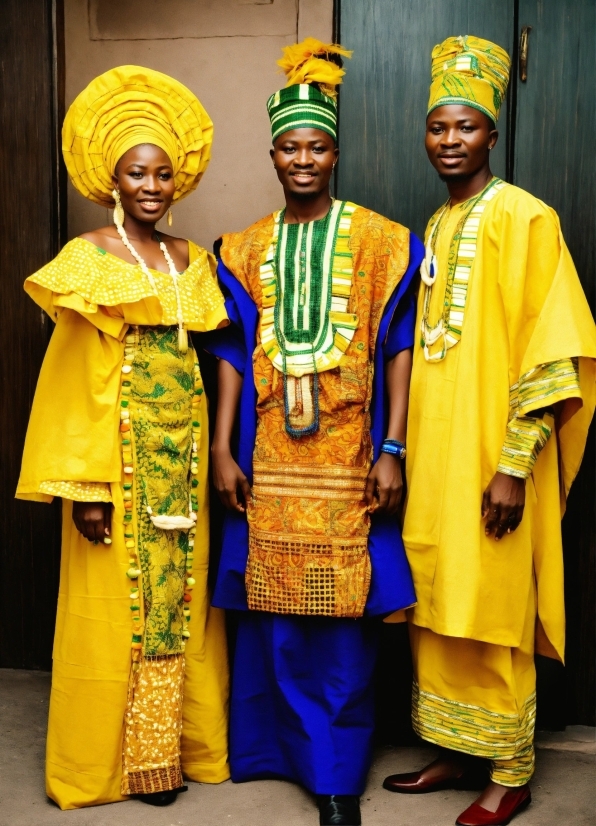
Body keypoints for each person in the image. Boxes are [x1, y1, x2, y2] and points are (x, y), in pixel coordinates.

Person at [204, 38, 423, 826]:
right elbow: (231, 351)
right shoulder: (242, 247)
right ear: (271, 154)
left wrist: (393, 448)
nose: (304, 158)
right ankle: (271, 755)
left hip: (348, 461)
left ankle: (336, 779)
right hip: (267, 461)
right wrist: (225, 449)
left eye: (318, 145)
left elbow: (397, 348)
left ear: (336, 151)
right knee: (272, 617)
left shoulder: (380, 241)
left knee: (340, 629)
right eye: (290, 147)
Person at [383, 35, 596, 826]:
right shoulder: (434, 227)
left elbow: (553, 351)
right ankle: (455, 745)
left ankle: (509, 771)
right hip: (435, 458)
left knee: (495, 607)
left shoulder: (525, 216)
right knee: (437, 600)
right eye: (437, 126)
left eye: (465, 126)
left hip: (493, 459)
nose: (448, 139)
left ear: (492, 137)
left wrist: (513, 465)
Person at [16, 66, 230, 810]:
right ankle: (101, 768)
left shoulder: (192, 260)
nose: (152, 184)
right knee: (115, 613)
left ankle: (166, 760)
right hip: (119, 465)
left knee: (180, 605)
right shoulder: (90, 257)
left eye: (164, 173)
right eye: (138, 171)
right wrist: (88, 488)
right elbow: (73, 381)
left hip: (184, 468)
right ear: (113, 176)